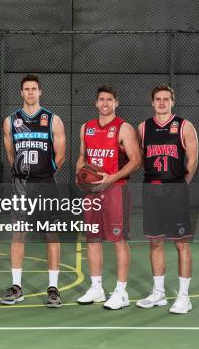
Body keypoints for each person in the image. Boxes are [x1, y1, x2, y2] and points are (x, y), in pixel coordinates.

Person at [0, 75, 66, 307]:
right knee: (19, 233)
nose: (30, 93)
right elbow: (10, 153)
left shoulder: (52, 120)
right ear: (21, 93)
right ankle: (17, 286)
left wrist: (44, 173)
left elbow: (61, 154)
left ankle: (53, 288)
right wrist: (21, 171)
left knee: (51, 234)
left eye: (34, 89)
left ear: (40, 92)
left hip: (45, 183)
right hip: (21, 184)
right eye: (26, 89)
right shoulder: (11, 121)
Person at [76, 86, 141, 310]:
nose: (105, 103)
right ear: (96, 103)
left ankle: (121, 293)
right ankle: (96, 288)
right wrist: (80, 175)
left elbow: (135, 160)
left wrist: (111, 178)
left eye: (109, 100)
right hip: (92, 192)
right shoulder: (86, 128)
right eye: (101, 100)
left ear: (116, 103)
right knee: (92, 238)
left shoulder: (124, 128)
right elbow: (83, 157)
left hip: (116, 190)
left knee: (118, 240)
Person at [136, 85, 198, 314]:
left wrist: (180, 185)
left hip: (175, 190)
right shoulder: (143, 128)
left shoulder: (184, 126)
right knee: (155, 241)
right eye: (158, 99)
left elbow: (192, 161)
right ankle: (159, 293)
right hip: (151, 189)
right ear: (152, 102)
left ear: (173, 102)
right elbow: (141, 159)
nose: (162, 102)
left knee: (181, 243)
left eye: (166, 99)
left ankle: (184, 297)